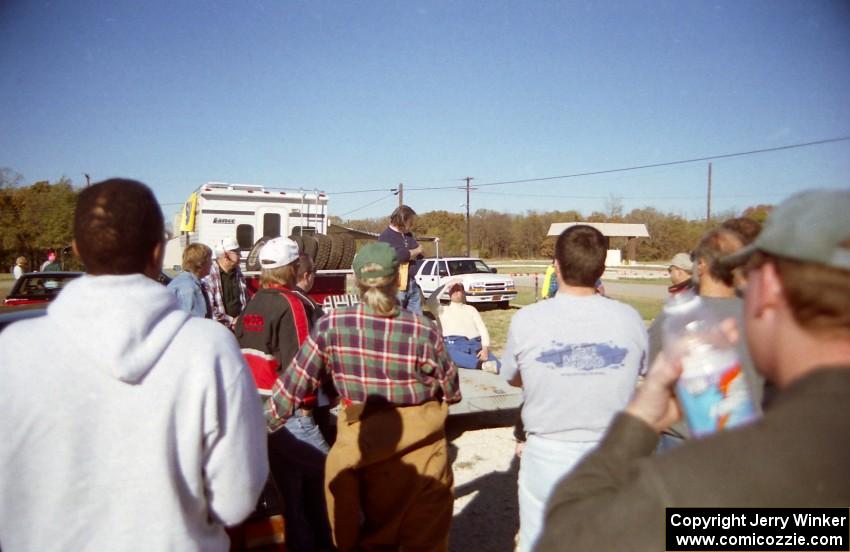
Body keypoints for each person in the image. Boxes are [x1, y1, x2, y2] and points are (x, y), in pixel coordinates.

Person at [534, 189, 850, 552]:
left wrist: (637, 423)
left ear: (771, 291)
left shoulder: (698, 488)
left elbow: (566, 541)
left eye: (748, 280)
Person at [0, 178, 268, 551]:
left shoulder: (12, 352)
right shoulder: (210, 350)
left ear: (76, 249)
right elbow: (236, 500)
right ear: (158, 251)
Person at [266, 241, 461, 552]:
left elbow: (291, 388)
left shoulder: (331, 325)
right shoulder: (423, 329)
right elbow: (452, 390)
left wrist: (258, 430)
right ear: (397, 279)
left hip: (360, 455)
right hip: (423, 460)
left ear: (355, 282)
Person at [501, 224, 648, 552]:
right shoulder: (630, 318)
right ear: (602, 267)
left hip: (549, 453)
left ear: (556, 264)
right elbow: (642, 370)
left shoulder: (527, 319)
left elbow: (512, 375)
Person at [235, 237, 332, 552]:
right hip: (289, 413)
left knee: (292, 496)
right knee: (336, 480)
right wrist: (305, 409)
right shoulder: (293, 303)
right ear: (292, 268)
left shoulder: (253, 301)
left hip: (259, 412)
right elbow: (302, 364)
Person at [649, 228, 765, 448]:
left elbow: (650, 367)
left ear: (702, 265)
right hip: (746, 440)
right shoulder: (761, 316)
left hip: (684, 439)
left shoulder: (676, 317)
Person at [430, 279, 499, 373]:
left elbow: (482, 329)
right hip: (454, 344)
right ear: (449, 293)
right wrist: (446, 285)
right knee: (448, 355)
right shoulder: (442, 310)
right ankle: (482, 365)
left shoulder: (471, 309)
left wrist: (485, 348)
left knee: (499, 366)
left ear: (463, 293)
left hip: (475, 343)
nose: (455, 292)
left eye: (458, 290)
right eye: (452, 290)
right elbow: (431, 300)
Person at [378, 204, 425, 314]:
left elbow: (419, 253)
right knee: (396, 319)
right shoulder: (386, 236)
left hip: (412, 282)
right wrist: (414, 251)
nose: (412, 224)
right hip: (395, 285)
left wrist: (413, 252)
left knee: (417, 320)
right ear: (402, 220)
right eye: (410, 221)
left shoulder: (408, 235)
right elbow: (399, 256)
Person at [204, 237, 248, 328]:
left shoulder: (238, 272)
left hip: (239, 326)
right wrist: (231, 321)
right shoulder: (210, 275)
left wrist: (241, 320)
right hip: (219, 328)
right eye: (236, 252)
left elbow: (244, 300)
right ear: (225, 255)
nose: (240, 255)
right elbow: (210, 308)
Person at [166, 242, 213, 318]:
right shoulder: (189, 288)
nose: (211, 263)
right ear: (200, 263)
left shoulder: (186, 281)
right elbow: (196, 323)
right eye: (210, 260)